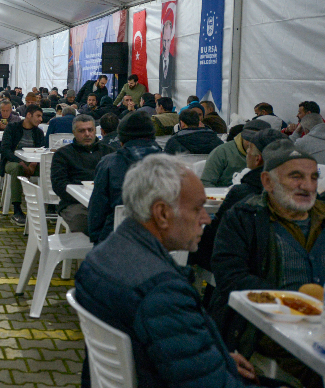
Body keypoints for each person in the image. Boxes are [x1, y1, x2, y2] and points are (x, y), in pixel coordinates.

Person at [75, 154, 270, 387]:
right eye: (198, 209)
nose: (206, 219)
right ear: (162, 214)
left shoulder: (104, 255)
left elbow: (176, 353)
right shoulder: (161, 292)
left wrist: (217, 358)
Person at [210, 139, 325, 387]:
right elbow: (231, 278)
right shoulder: (244, 218)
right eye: (296, 177)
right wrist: (293, 303)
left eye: (313, 178)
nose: (307, 186)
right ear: (267, 182)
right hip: (268, 326)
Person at [189, 129, 289, 273]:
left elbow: (216, 235)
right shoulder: (295, 192)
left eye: (249, 149)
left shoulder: (243, 193)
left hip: (243, 267)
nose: (246, 152)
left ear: (257, 158)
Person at [88, 111, 163, 243]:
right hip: (164, 248)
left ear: (121, 140)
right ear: (152, 136)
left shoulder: (108, 165)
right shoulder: (173, 165)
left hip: (116, 244)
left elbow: (97, 212)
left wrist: (97, 242)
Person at [50, 115, 114, 233]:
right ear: (74, 133)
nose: (87, 134)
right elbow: (59, 185)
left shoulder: (109, 152)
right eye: (82, 131)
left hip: (105, 203)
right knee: (86, 222)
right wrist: (80, 195)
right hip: (74, 203)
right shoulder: (63, 154)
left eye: (90, 130)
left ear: (96, 131)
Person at [2, 104, 44, 225]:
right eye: (38, 116)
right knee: (18, 169)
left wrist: (33, 164)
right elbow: (5, 150)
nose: (41, 119)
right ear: (29, 115)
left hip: (33, 164)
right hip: (13, 162)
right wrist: (21, 162)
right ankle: (17, 210)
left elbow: (41, 150)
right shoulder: (12, 127)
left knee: (49, 169)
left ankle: (50, 206)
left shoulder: (39, 132)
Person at [201, 119, 270, 187]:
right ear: (242, 136)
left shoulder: (271, 155)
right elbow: (206, 182)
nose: (251, 144)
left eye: (257, 142)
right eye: (248, 139)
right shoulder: (222, 152)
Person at [159, 18, 176, 97]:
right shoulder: (160, 59)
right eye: (164, 40)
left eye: (168, 40)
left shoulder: (173, 60)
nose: (166, 45)